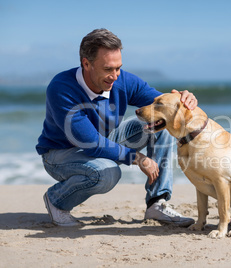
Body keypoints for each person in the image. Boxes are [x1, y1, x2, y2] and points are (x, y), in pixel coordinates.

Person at [36, 28, 198, 227]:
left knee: (159, 124)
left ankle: (157, 204)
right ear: (86, 64)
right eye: (108, 69)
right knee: (107, 173)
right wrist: (138, 158)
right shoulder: (62, 88)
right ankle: (57, 201)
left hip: (105, 140)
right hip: (61, 154)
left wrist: (183, 99)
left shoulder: (122, 80)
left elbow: (162, 106)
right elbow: (91, 143)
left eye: (118, 68)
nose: (115, 76)